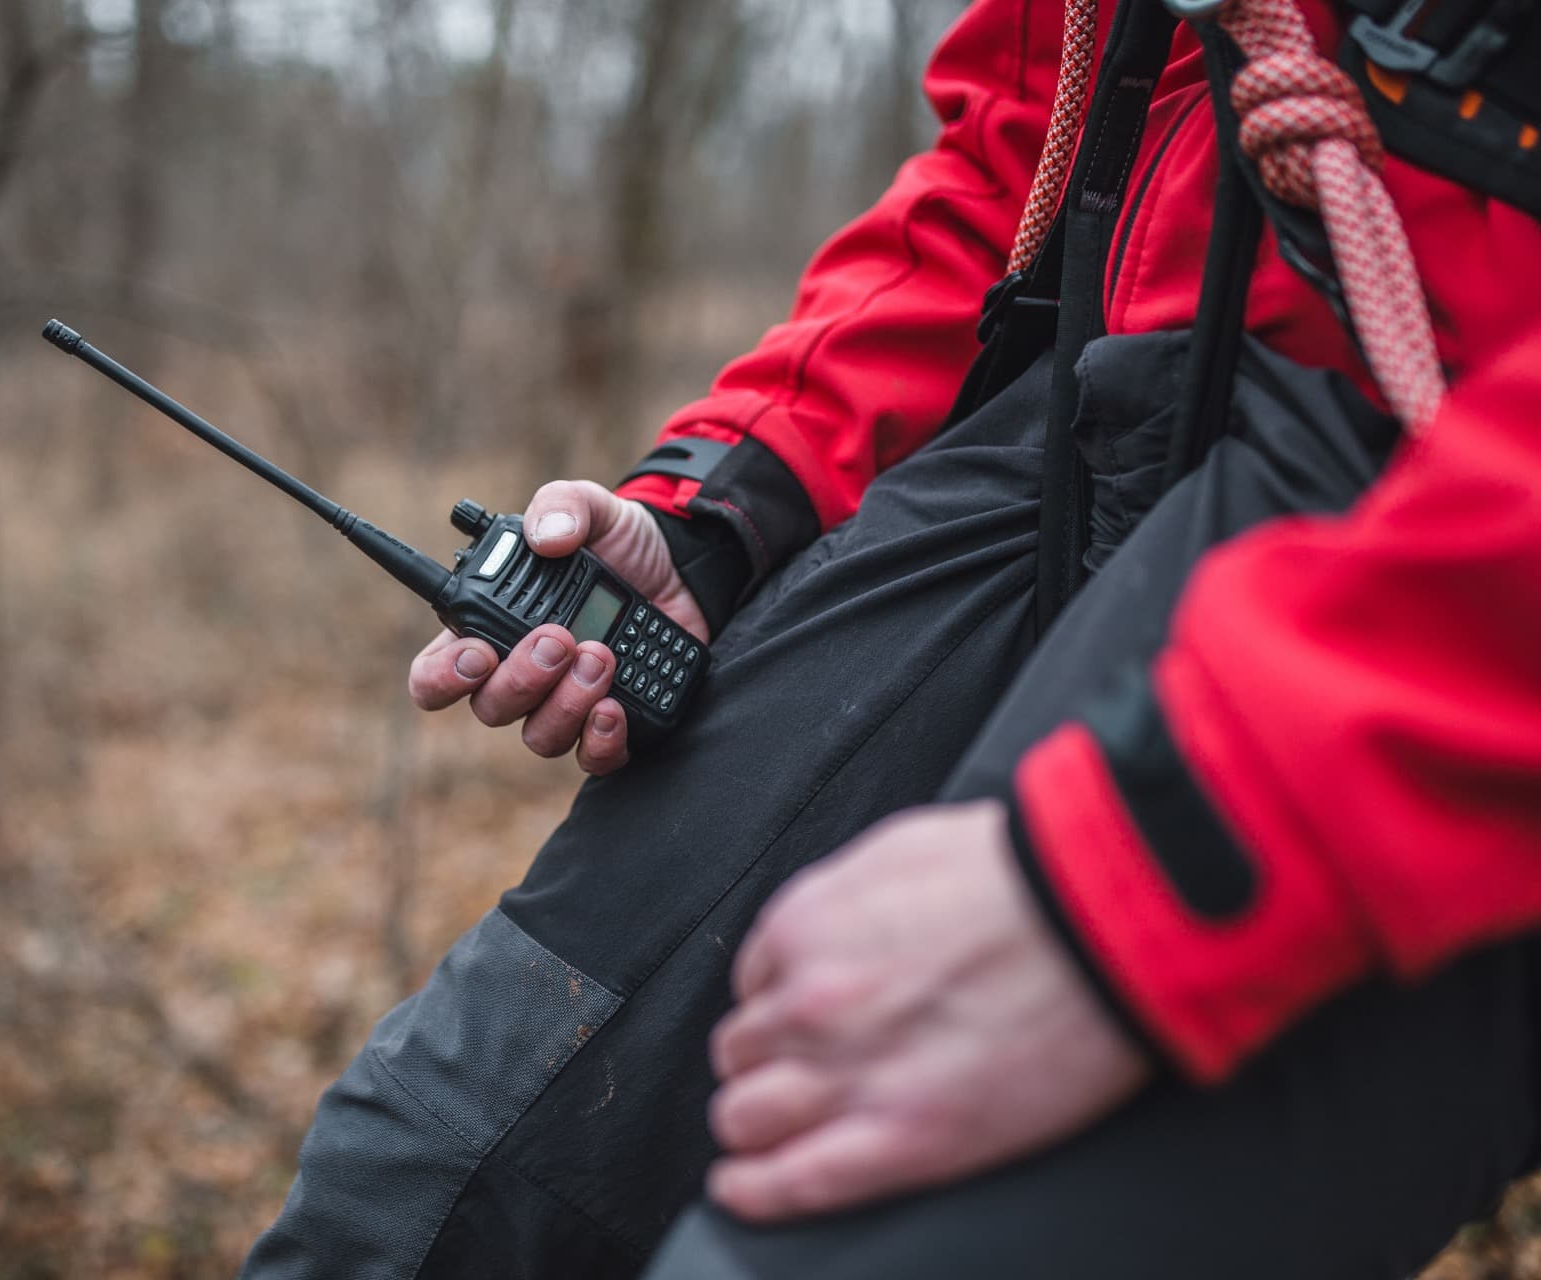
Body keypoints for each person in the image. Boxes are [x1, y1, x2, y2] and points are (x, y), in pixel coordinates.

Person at [242, 0, 1541, 1272]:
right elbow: (1015, 146)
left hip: (1447, 549)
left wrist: (1150, 862)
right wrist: (727, 507)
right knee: (414, 1180)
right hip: (1074, 423)